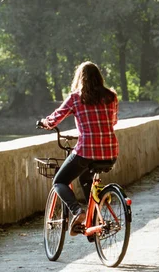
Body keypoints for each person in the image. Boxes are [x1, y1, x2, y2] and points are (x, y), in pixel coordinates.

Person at [39, 61, 119, 236]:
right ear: (99, 77)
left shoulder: (76, 97)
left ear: (79, 79)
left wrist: (45, 123)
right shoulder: (111, 96)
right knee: (85, 177)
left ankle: (78, 212)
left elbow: (55, 119)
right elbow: (112, 122)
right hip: (110, 152)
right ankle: (92, 222)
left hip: (86, 151)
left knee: (59, 181)